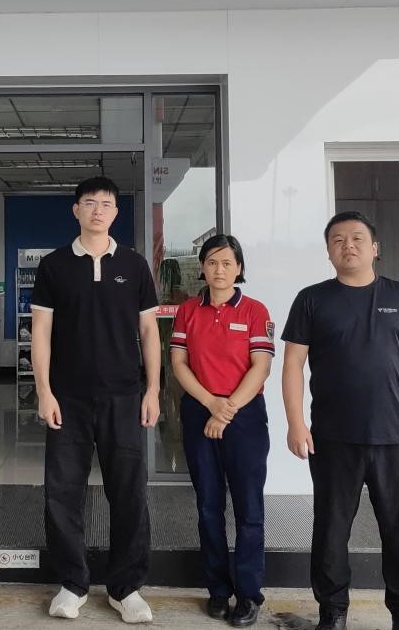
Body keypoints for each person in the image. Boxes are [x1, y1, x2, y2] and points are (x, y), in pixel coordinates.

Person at [281, 211, 399, 630]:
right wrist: (295, 423)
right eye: (337, 240)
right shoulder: (312, 299)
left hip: (394, 436)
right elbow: (293, 364)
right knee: (331, 531)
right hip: (333, 439)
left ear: (375, 248)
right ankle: (333, 612)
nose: (347, 245)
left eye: (356, 238)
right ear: (328, 252)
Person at [31, 176, 162, 624]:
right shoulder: (53, 266)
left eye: (106, 204)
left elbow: (149, 332)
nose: (98, 210)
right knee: (62, 493)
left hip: (124, 397)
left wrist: (153, 389)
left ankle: (126, 588)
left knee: (129, 493)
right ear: (76, 210)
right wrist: (44, 391)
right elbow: (41, 333)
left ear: (115, 212)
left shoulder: (134, 264)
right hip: (67, 399)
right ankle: (72, 583)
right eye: (89, 203)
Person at [169, 234, 275, 627]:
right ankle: (217, 589)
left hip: (245, 417)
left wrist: (226, 409)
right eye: (212, 262)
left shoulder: (254, 311)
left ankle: (248, 594)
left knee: (249, 508)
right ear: (202, 267)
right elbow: (179, 364)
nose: (219, 270)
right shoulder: (187, 312)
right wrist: (211, 404)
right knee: (208, 506)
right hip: (200, 411)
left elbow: (261, 367)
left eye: (227, 262)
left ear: (239, 268)